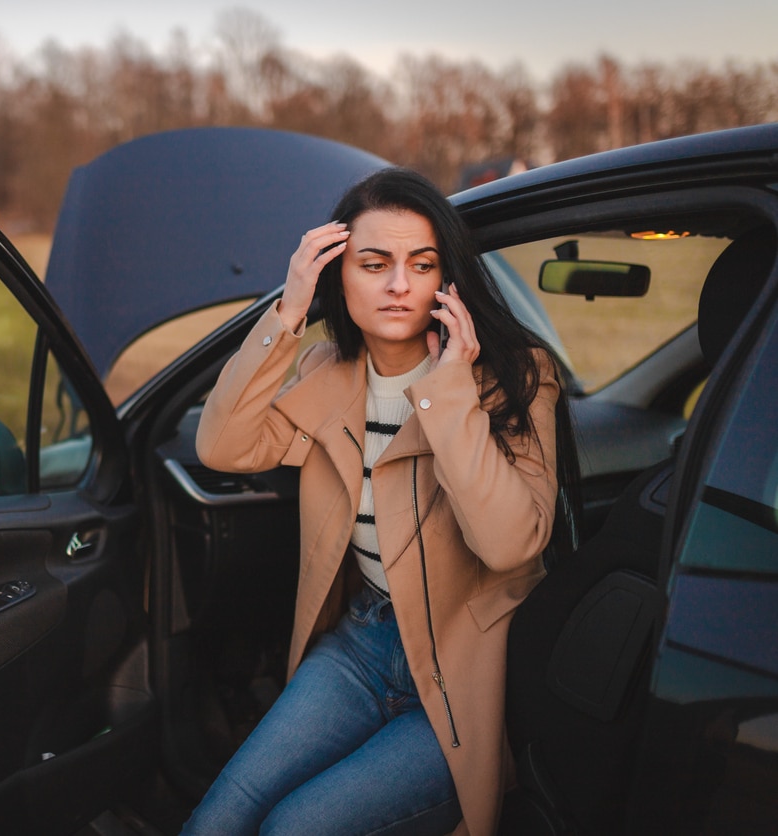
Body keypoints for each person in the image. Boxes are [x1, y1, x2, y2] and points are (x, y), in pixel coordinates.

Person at [182, 167, 579, 836]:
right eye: (374, 263)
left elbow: (510, 545)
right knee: (216, 822)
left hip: (462, 672)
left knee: (292, 828)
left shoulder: (519, 375)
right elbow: (222, 446)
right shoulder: (324, 370)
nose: (399, 284)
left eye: (421, 264)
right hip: (361, 646)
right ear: (339, 276)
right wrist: (286, 314)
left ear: (445, 280)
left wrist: (450, 391)